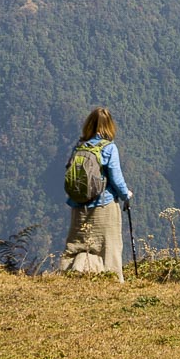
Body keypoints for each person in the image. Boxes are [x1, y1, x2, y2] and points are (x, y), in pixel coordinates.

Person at [61, 106, 132, 282]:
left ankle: (69, 278)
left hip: (78, 206)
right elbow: (116, 177)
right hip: (103, 205)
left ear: (89, 125)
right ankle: (112, 282)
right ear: (109, 126)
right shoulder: (108, 148)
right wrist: (126, 195)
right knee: (108, 248)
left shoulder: (79, 147)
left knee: (76, 247)